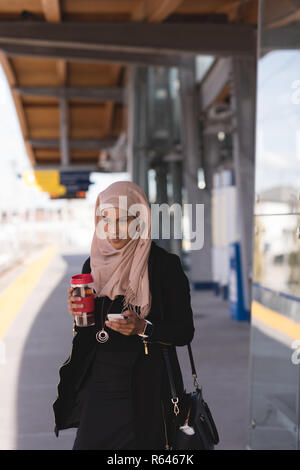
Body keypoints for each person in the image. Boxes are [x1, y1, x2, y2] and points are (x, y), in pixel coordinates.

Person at [53, 180, 195, 450]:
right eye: (105, 219)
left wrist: (143, 327)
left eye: (122, 220)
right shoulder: (92, 265)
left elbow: (184, 332)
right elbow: (89, 333)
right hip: (100, 386)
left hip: (147, 392)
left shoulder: (164, 266)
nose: (113, 228)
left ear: (139, 219)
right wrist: (78, 313)